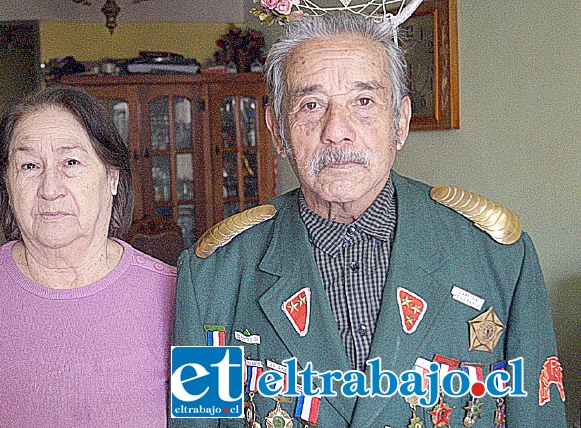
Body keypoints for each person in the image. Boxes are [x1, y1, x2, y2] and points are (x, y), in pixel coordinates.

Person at [171, 13, 567, 428]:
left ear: (400, 122)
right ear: (278, 131)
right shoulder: (211, 277)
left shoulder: (499, 258)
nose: (336, 130)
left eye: (364, 101)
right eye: (311, 104)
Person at [0, 86, 177, 426]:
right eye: (29, 166)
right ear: (7, 184)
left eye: (71, 162)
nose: (50, 189)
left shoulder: (180, 298)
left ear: (112, 177)